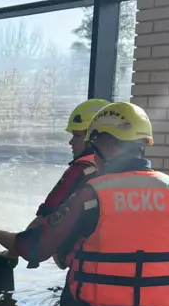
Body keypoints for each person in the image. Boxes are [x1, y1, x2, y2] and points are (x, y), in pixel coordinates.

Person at [0, 102, 169, 306]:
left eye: (93, 143)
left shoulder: (90, 196)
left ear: (105, 143)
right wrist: (155, 290)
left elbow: (37, 248)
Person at [26, 98, 111, 228]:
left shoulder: (82, 169)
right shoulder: (123, 175)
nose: (71, 142)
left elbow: (42, 220)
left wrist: (4, 239)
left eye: (77, 136)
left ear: (94, 138)